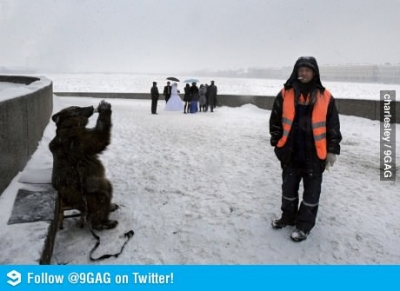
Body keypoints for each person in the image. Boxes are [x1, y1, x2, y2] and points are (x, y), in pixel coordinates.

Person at [269, 56, 342, 242]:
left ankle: (304, 225)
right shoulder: (286, 93)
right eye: (300, 69)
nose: (303, 73)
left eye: (307, 70)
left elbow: (333, 125)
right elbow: (275, 120)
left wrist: (332, 149)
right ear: (296, 71)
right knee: (288, 189)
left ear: (315, 73)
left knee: (311, 193)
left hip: (315, 155)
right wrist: (278, 144)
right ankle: (288, 217)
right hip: (290, 153)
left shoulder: (326, 96)